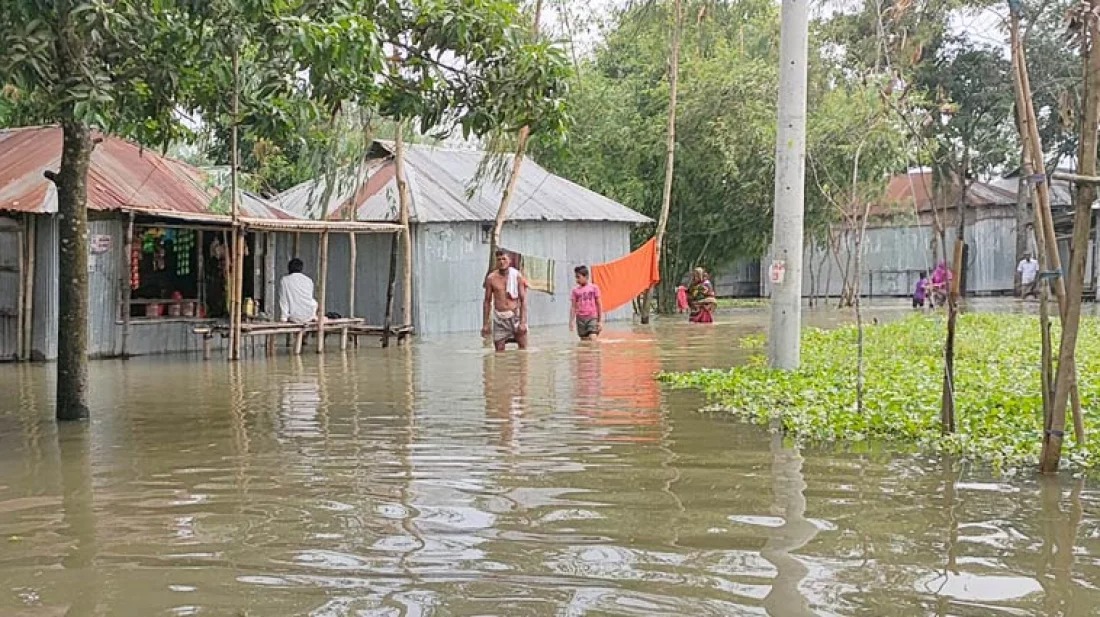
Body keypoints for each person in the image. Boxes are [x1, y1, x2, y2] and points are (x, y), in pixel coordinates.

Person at [482, 250, 528, 352]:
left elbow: (523, 300)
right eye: (499, 260)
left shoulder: (517, 276)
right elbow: (487, 301)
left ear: (509, 260)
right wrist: (485, 324)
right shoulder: (491, 278)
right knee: (499, 353)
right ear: (496, 261)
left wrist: (523, 322)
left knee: (523, 351)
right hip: (500, 319)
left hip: (515, 316)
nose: (501, 262)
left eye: (504, 259)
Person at [278, 258, 318, 323]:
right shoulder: (308, 280)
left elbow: (284, 300)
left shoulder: (285, 280)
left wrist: (284, 318)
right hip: (309, 315)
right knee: (313, 302)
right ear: (301, 268)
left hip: (295, 317)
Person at [569, 265, 604, 341]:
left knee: (593, 338)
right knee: (584, 341)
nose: (576, 280)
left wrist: (600, 321)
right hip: (580, 319)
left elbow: (599, 304)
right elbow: (573, 307)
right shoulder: (575, 291)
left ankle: (596, 352)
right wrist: (571, 321)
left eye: (578, 277)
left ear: (586, 276)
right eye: (576, 277)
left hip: (592, 317)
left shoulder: (594, 288)